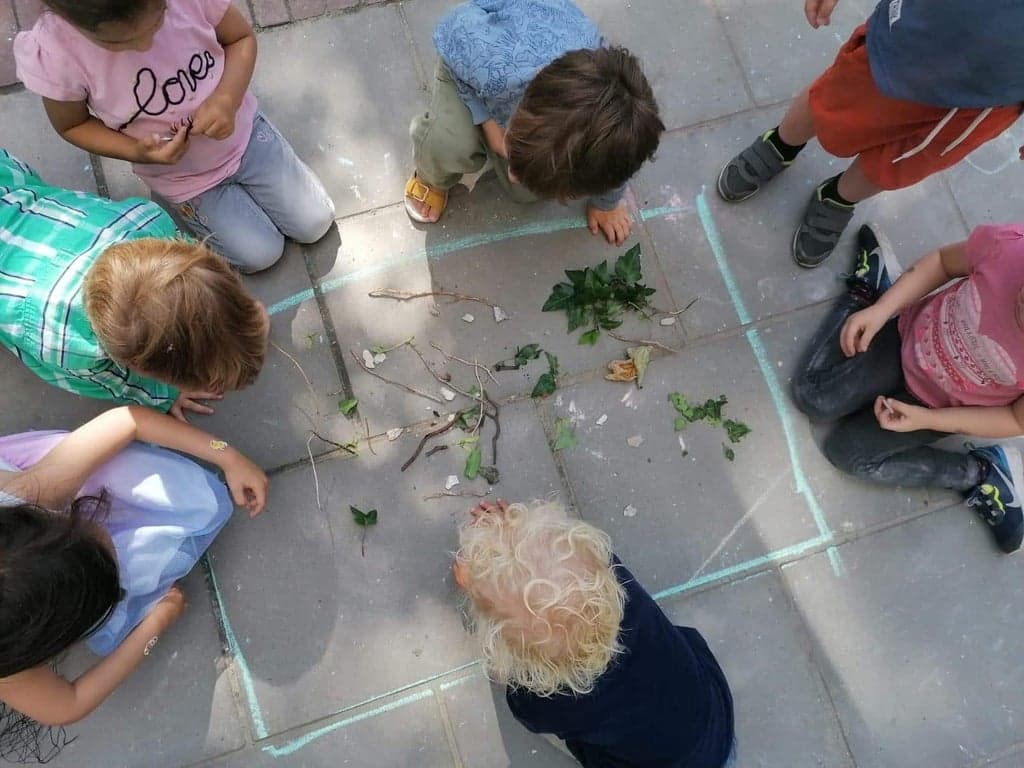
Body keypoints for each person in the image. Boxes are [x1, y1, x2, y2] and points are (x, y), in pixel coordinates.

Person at [0, 405, 268, 761]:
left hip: (31, 490)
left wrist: (227, 455)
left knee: (147, 485)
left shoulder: (33, 492)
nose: (105, 531)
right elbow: (67, 705)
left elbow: (128, 420)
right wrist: (153, 629)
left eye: (84, 525)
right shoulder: (7, 662)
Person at [13, 0, 335, 272]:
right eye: (118, 43)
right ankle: (194, 210)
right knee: (260, 256)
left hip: (245, 137)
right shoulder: (58, 53)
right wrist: (137, 151)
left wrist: (227, 99)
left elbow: (240, 39)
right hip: (183, 177)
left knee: (315, 222)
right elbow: (72, 125)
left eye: (157, 21)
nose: (145, 45)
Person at [716, 0, 1024, 268]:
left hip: (988, 102)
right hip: (918, 39)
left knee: (904, 161)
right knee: (835, 97)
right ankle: (782, 144)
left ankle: (838, 197)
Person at [792, 222, 1024, 554]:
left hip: (941, 407)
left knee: (848, 454)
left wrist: (928, 420)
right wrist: (882, 309)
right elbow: (944, 262)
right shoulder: (1011, 248)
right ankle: (872, 292)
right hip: (907, 339)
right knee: (812, 398)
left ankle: (982, 472)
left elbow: (1015, 420)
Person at [453, 500, 735, 767]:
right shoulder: (615, 582)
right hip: (714, 717)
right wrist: (513, 536)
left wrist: (479, 586)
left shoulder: (551, 706)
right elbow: (563, 562)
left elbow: (525, 712)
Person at [0, 149, 269, 421]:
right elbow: (115, 382)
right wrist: (162, 395)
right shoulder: (65, 345)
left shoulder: (146, 220)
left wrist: (242, 319)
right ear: (138, 366)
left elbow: (189, 266)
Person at [406, 0, 664, 247]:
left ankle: (518, 155)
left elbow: (618, 164)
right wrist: (487, 122)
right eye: (515, 157)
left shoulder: (622, 131)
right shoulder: (493, 62)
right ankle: (430, 176)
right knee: (448, 143)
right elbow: (450, 32)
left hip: (516, 86)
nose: (511, 174)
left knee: (526, 191)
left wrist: (607, 203)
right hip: (466, 64)